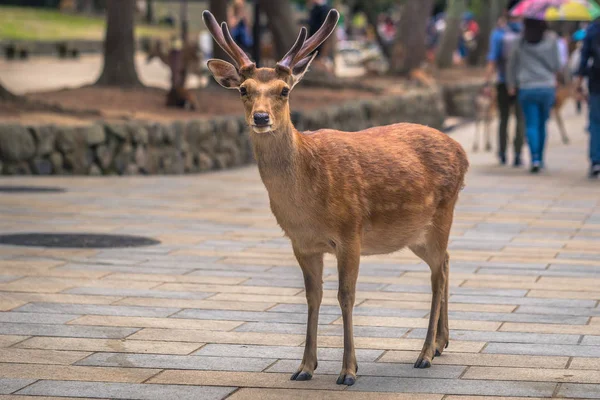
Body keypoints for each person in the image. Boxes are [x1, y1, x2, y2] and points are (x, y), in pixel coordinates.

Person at [507, 18, 561, 174]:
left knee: (531, 124)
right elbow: (557, 65)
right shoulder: (552, 40)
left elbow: (512, 64)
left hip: (526, 87)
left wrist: (511, 84)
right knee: (542, 124)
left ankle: (534, 158)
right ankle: (541, 159)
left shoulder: (520, 41)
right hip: (547, 86)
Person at [485, 8, 525, 166]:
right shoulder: (525, 34)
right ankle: (518, 154)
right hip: (522, 82)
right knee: (520, 119)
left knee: (504, 118)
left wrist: (487, 82)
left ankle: (502, 152)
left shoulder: (499, 34)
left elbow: (492, 59)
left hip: (502, 81)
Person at [575, 18, 600, 178]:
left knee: (596, 123)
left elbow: (584, 58)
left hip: (596, 81)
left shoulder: (593, 29)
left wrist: (578, 81)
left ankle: (596, 161)